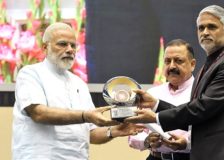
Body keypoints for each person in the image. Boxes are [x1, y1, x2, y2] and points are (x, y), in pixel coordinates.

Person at [125, 5, 224, 160]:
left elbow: (203, 108)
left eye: (211, 27)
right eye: (201, 28)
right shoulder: (211, 64)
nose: (205, 32)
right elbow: (198, 115)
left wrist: (155, 117)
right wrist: (156, 104)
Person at [12, 22, 143, 160]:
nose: (70, 49)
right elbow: (39, 113)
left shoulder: (79, 83)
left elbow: (90, 133)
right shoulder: (30, 73)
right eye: (62, 44)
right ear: (45, 47)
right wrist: (86, 116)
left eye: (73, 45)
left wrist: (114, 131)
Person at [128, 39, 196, 160]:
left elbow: (210, 133)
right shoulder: (152, 93)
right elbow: (133, 133)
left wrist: (186, 143)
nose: (172, 66)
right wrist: (147, 141)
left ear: (192, 64)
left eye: (178, 61)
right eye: (167, 61)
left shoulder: (202, 92)